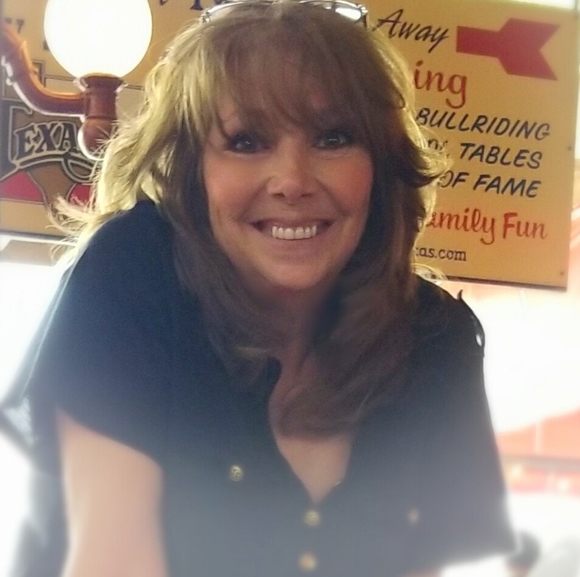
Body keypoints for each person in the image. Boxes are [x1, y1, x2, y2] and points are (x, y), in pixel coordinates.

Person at [1, 1, 515, 576]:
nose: (292, 180)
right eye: (246, 141)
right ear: (193, 172)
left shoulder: (434, 337)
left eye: (334, 137)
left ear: (380, 166)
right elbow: (111, 560)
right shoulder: (134, 272)